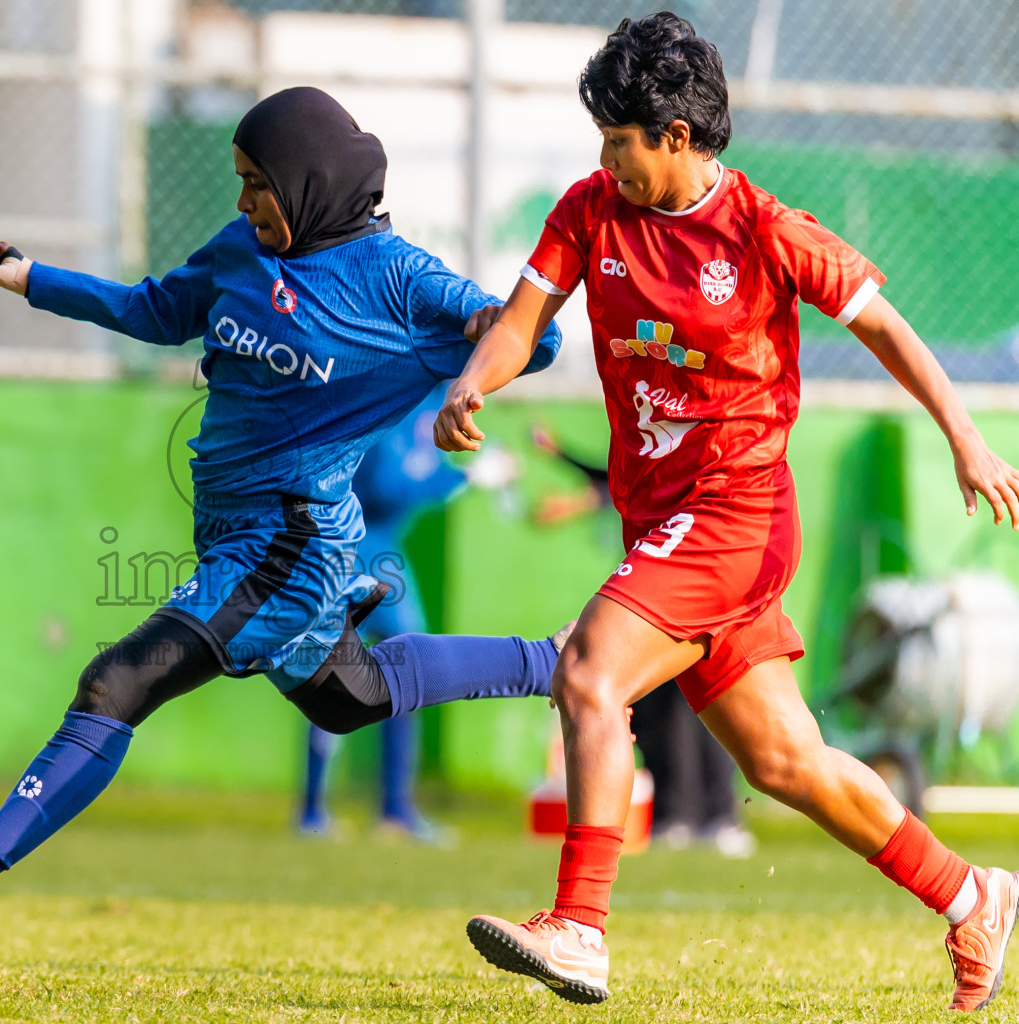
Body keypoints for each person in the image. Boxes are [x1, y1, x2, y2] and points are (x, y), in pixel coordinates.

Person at [434, 13, 1019, 1010]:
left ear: (675, 137)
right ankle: (973, 893)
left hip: (738, 516)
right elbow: (524, 314)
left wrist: (965, 434)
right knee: (787, 760)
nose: (605, 160)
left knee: (588, 672)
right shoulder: (587, 211)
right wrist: (471, 384)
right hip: (663, 521)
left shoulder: (765, 230)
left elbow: (888, 328)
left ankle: (580, 923)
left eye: (621, 142)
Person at [0, 87, 570, 944]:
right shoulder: (236, 255)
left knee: (117, 681)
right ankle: (549, 662)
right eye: (241, 180)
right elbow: (152, 308)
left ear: (310, 181)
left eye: (258, 183)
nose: (244, 201)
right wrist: (28, 276)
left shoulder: (401, 281)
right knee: (350, 699)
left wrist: (485, 336)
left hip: (290, 542)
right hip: (238, 536)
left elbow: (537, 339)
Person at [297, 389, 518, 843]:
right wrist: (469, 479)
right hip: (350, 548)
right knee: (328, 676)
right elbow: (384, 488)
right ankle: (314, 810)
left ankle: (393, 810)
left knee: (407, 671)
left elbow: (421, 472)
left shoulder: (437, 401)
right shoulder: (402, 395)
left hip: (383, 552)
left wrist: (471, 474)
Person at [533, 423, 752, 856]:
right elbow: (611, 478)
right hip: (664, 597)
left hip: (691, 593)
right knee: (666, 709)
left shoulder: (704, 454)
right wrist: (562, 461)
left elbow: (610, 480)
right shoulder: (656, 457)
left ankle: (711, 816)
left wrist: (568, 478)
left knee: (706, 708)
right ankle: (683, 816)